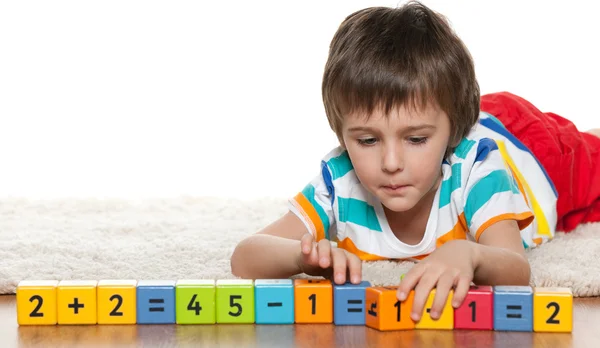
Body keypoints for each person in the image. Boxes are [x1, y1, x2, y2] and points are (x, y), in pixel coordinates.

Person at [230, 1, 600, 322]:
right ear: (342, 134)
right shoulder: (339, 181)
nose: (391, 162)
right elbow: (246, 255)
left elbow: (516, 270)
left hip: (531, 152)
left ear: (451, 132)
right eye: (368, 140)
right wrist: (302, 256)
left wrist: (470, 254)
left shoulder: (478, 171)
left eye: (416, 140)